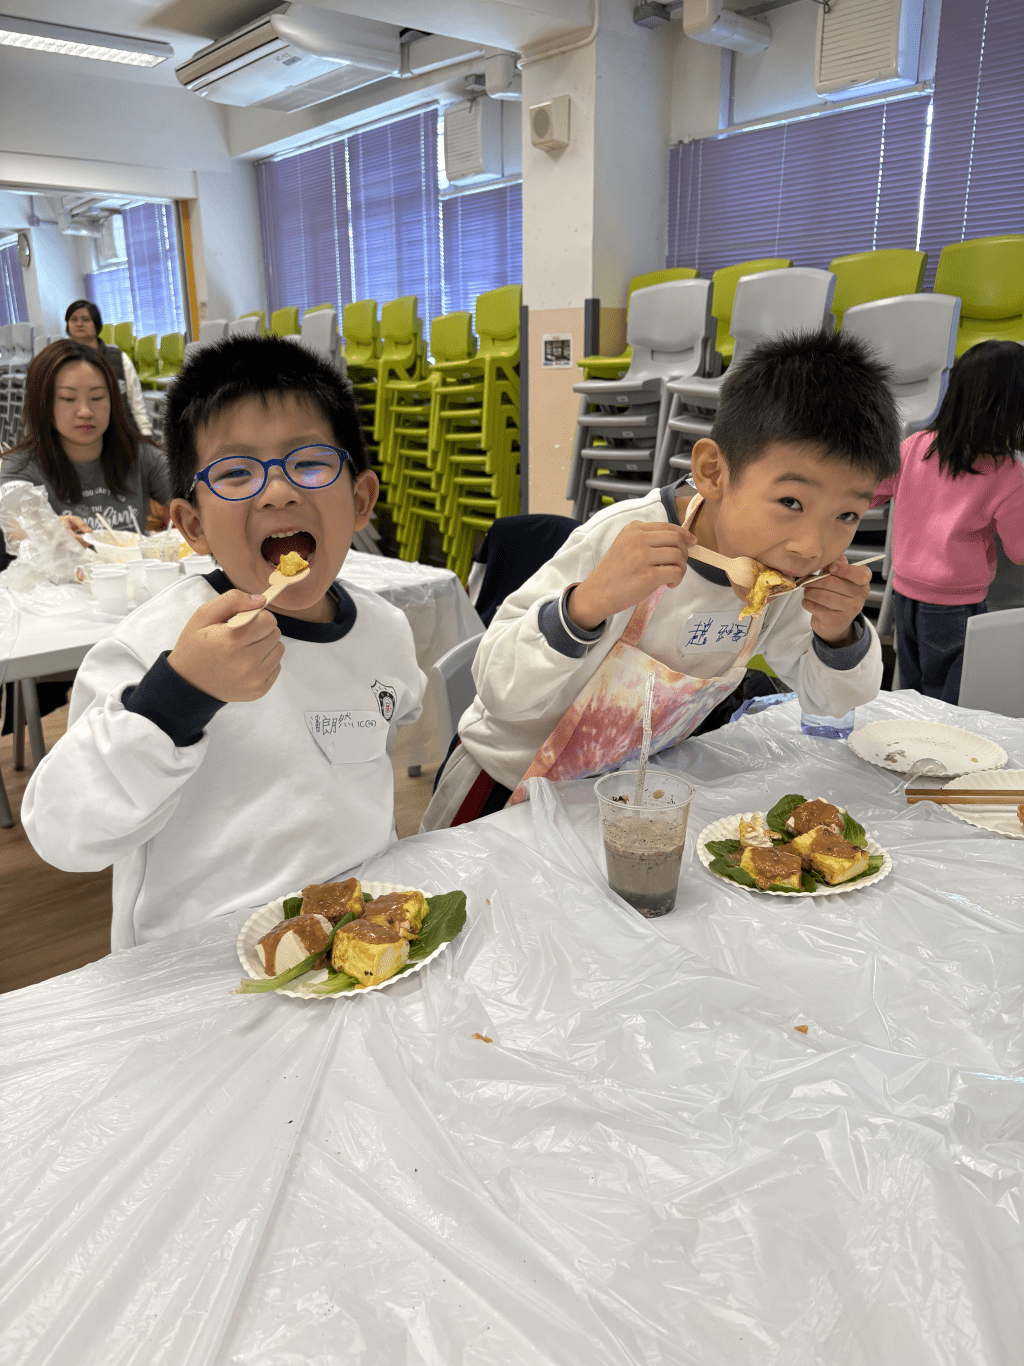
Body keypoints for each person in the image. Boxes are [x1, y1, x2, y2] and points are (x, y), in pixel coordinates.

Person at [21, 336, 425, 950]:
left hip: (352, 943)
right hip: (200, 966)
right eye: (236, 473)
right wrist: (179, 694)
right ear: (192, 525)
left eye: (310, 462)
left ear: (361, 498)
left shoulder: (385, 631)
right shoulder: (152, 646)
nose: (278, 492)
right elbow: (64, 832)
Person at [422, 330, 900, 830]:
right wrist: (585, 606)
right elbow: (499, 689)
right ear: (713, 471)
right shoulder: (625, 541)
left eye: (846, 515)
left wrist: (839, 634)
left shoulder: (781, 578)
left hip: (618, 794)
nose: (813, 545)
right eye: (791, 503)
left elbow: (831, 700)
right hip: (503, 789)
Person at [870, 340, 1024, 704]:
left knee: (912, 690)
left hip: (904, 594)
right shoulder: (1009, 474)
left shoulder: (915, 445)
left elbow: (870, 493)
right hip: (955, 605)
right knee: (946, 701)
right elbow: (1019, 552)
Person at [0, 339, 170, 540]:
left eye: (97, 397)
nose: (85, 411)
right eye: (68, 399)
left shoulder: (140, 454)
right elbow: (16, 529)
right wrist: (49, 530)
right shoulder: (21, 466)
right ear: (43, 404)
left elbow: (193, 502)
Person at [65, 298, 153, 437]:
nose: (79, 324)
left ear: (97, 324)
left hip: (121, 436)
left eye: (86, 319)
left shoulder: (119, 358)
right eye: (74, 319)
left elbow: (136, 402)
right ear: (68, 326)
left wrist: (145, 433)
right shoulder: (63, 362)